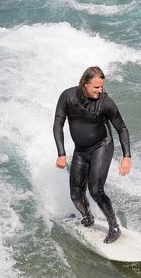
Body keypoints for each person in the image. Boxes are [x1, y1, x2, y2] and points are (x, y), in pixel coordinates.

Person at [53, 65, 131, 243]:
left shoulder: (106, 102)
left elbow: (121, 128)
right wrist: (61, 153)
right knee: (76, 195)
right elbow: (58, 124)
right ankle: (88, 217)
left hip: (101, 146)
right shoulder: (68, 97)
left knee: (96, 190)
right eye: (96, 87)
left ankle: (114, 226)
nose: (100, 90)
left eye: (102, 86)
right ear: (84, 84)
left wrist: (127, 157)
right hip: (80, 150)